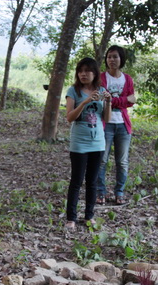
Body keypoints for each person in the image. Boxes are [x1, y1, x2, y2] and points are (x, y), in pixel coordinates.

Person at [65, 57, 112, 230]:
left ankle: (89, 215)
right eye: (81, 70)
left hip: (98, 142)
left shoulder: (101, 90)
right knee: (76, 181)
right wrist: (85, 102)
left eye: (88, 70)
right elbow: (69, 117)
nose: (84, 74)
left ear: (95, 73)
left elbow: (106, 119)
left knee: (92, 181)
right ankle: (71, 217)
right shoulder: (74, 91)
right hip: (79, 143)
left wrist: (108, 101)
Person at [96, 45, 136, 205]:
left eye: (115, 57)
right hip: (106, 125)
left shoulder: (127, 79)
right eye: (109, 57)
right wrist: (123, 100)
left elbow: (132, 101)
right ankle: (101, 193)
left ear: (121, 59)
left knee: (122, 161)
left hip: (123, 125)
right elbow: (101, 98)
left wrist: (113, 101)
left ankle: (119, 192)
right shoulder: (101, 78)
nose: (112, 60)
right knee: (102, 160)